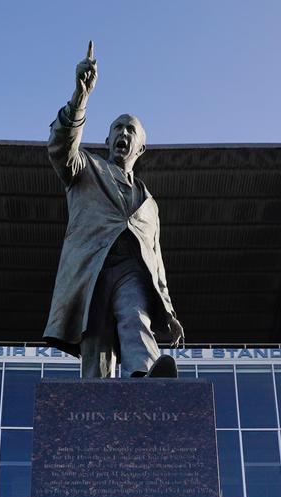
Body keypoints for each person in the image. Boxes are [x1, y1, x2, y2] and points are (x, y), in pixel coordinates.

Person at [44, 42, 184, 379]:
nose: (123, 133)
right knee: (97, 347)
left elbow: (156, 259)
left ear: (141, 146)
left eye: (130, 129)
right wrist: (81, 97)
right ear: (107, 141)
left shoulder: (149, 204)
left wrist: (168, 306)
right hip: (91, 270)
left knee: (135, 316)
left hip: (130, 270)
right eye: (117, 128)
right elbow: (61, 147)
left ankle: (146, 379)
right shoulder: (86, 169)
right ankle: (95, 407)